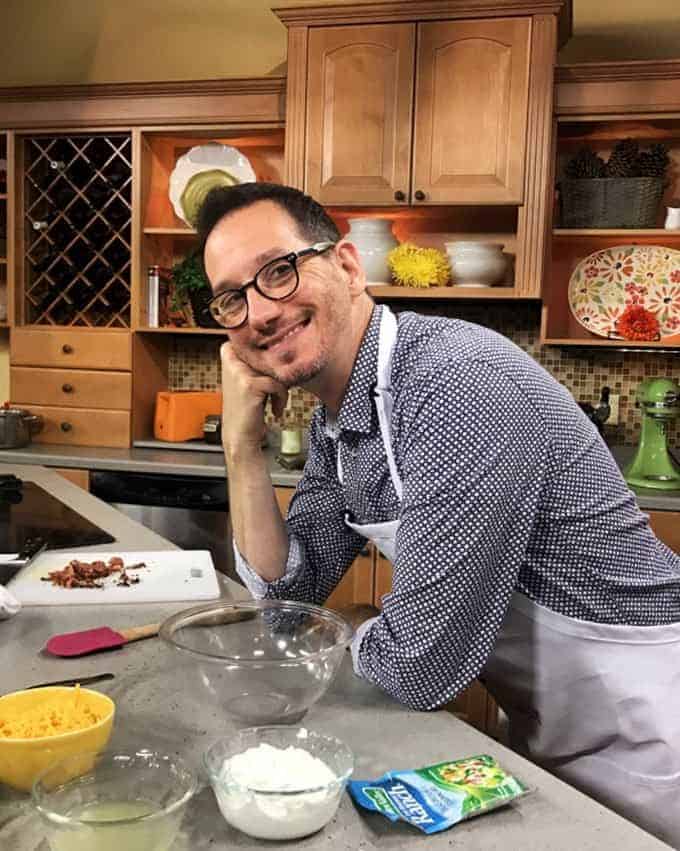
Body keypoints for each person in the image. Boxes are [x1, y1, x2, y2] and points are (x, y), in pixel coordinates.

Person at [198, 182, 680, 848]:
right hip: (555, 724)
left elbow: (422, 668)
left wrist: (360, 624)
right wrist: (240, 446)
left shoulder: (452, 384)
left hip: (653, 729)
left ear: (345, 265)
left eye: (279, 271)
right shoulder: (340, 424)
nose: (258, 312)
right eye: (232, 298)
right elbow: (285, 597)